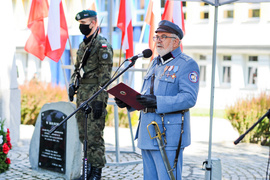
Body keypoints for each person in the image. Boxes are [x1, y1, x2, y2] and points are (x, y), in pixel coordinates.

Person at [115, 20, 200, 180]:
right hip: (148, 132)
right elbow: (147, 94)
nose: (158, 40)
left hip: (169, 135)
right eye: (157, 37)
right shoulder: (155, 62)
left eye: (163, 36)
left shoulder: (187, 65)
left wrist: (157, 102)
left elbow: (189, 98)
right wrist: (130, 102)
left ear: (176, 42)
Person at [69, 10, 113, 180]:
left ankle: (96, 173)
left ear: (94, 23)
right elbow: (77, 69)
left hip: (95, 97)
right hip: (82, 96)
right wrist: (73, 84)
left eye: (85, 24)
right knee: (84, 135)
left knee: (94, 137)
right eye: (80, 24)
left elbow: (105, 78)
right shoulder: (83, 45)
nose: (82, 27)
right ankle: (87, 171)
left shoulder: (102, 46)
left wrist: (99, 102)